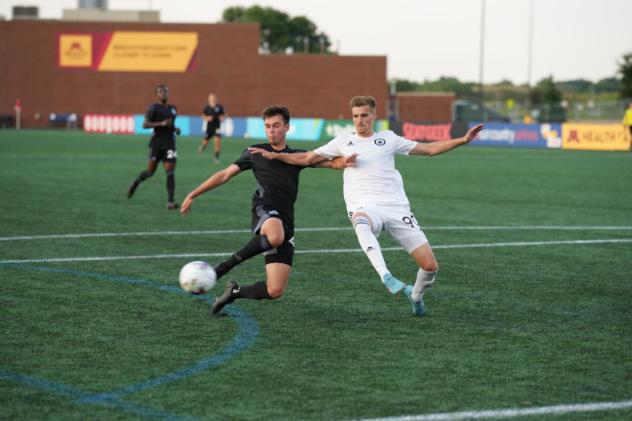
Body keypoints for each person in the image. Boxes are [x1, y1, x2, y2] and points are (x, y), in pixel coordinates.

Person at [250, 96, 483, 317]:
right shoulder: (343, 141)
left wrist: (462, 140)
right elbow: (308, 158)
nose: (359, 120)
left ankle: (415, 296)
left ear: (373, 116)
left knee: (430, 266)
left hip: (396, 208)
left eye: (363, 115)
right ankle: (386, 276)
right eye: (355, 116)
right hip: (364, 206)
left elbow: (430, 149)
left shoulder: (388, 139)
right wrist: (276, 156)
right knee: (361, 222)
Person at [181, 105, 351, 315]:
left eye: (276, 126)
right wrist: (193, 194)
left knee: (275, 290)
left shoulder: (297, 156)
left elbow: (334, 164)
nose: (271, 130)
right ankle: (221, 269)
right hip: (265, 210)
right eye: (268, 126)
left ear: (287, 127)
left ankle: (234, 292)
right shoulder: (254, 152)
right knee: (275, 233)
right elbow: (224, 175)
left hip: (286, 221)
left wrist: (349, 160)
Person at [127, 84, 181, 210]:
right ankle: (135, 183)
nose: (163, 93)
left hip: (170, 144)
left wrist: (175, 129)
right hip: (156, 144)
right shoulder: (153, 108)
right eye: (160, 92)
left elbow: (171, 125)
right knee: (150, 172)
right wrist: (161, 123)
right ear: (156, 95)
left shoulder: (173, 109)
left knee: (170, 172)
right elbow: (145, 124)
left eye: (165, 91)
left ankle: (170, 202)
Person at [198, 93, 226, 163]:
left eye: (213, 97)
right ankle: (202, 147)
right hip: (209, 128)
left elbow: (223, 115)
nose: (212, 99)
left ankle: (216, 158)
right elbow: (203, 116)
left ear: (215, 99)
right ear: (209, 99)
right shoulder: (207, 107)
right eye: (211, 98)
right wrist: (207, 118)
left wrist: (222, 118)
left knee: (217, 143)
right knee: (205, 143)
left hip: (217, 128)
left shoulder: (219, 107)